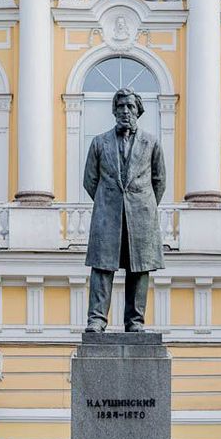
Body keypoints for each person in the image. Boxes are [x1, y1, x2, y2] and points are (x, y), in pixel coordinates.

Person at [82, 88, 166, 332]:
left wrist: (141, 204)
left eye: (130, 107)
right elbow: (90, 181)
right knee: (102, 268)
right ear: (114, 111)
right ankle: (96, 319)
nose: (125, 112)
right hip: (107, 216)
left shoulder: (152, 143)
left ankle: (135, 322)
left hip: (141, 216)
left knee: (139, 269)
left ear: (138, 111)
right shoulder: (99, 143)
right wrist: (109, 202)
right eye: (120, 107)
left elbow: (159, 182)